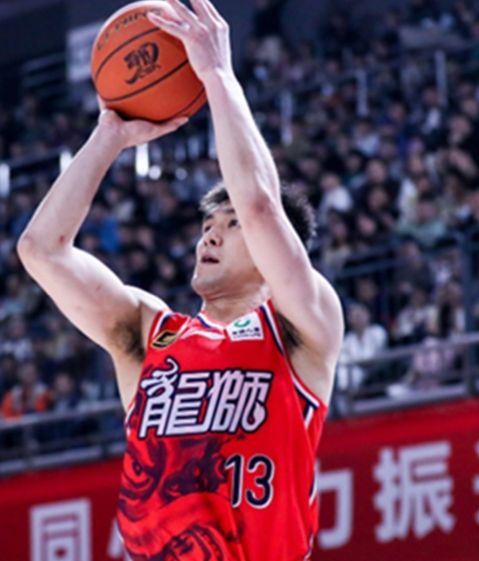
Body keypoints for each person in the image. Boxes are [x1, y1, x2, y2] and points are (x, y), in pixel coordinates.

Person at [17, 1, 344, 560]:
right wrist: (108, 135)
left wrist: (217, 75)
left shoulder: (302, 325)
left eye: (229, 226)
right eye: (207, 227)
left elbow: (261, 206)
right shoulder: (150, 335)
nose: (209, 237)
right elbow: (41, 250)